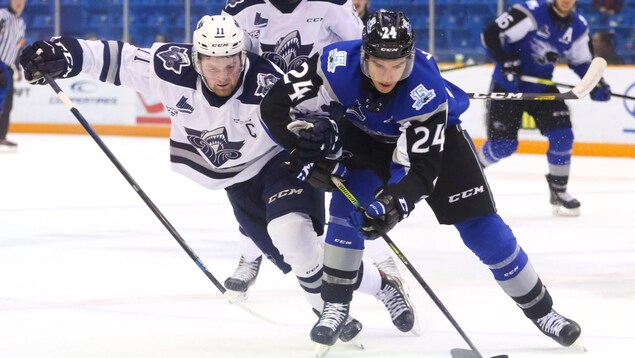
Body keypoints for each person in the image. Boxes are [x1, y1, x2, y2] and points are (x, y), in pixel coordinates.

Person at [19, 14, 416, 345]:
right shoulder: (169, 67)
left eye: (232, 64)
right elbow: (116, 58)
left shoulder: (267, 79)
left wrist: (322, 129)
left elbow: (320, 106)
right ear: (196, 57)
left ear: (242, 55)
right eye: (213, 65)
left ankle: (329, 317)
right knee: (300, 260)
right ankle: (381, 287)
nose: (223, 75)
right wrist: (61, 53)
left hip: (279, 163)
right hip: (235, 182)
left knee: (292, 236)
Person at [258, 10, 584, 350]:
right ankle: (336, 305)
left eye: (398, 65)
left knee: (483, 230)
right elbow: (273, 108)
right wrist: (300, 150)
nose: (389, 75)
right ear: (364, 55)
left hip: (441, 141)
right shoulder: (334, 61)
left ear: (410, 57)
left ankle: (544, 312)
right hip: (368, 138)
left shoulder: (425, 89)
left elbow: (423, 170)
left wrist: (392, 206)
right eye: (380, 64)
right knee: (345, 212)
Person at [221, 0, 406, 299]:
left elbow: (363, 53)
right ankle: (249, 255)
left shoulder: (332, 5)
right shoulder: (239, 9)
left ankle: (383, 264)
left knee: (352, 191)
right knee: (249, 184)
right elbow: (227, 60)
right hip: (270, 117)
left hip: (324, 118)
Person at [476, 0, 612, 217]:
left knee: (563, 135)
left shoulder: (578, 26)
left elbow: (582, 62)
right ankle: (469, 171)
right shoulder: (530, 12)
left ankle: (559, 191)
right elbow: (490, 34)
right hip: (508, 86)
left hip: (541, 87)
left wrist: (597, 83)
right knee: (503, 145)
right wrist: (504, 60)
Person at [0, 0, 26, 153]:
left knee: (7, 105)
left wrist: (18, 68)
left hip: (8, 68)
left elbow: (18, 46)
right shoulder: (2, 15)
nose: (19, 2)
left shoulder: (21, 23)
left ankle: (1, 136)